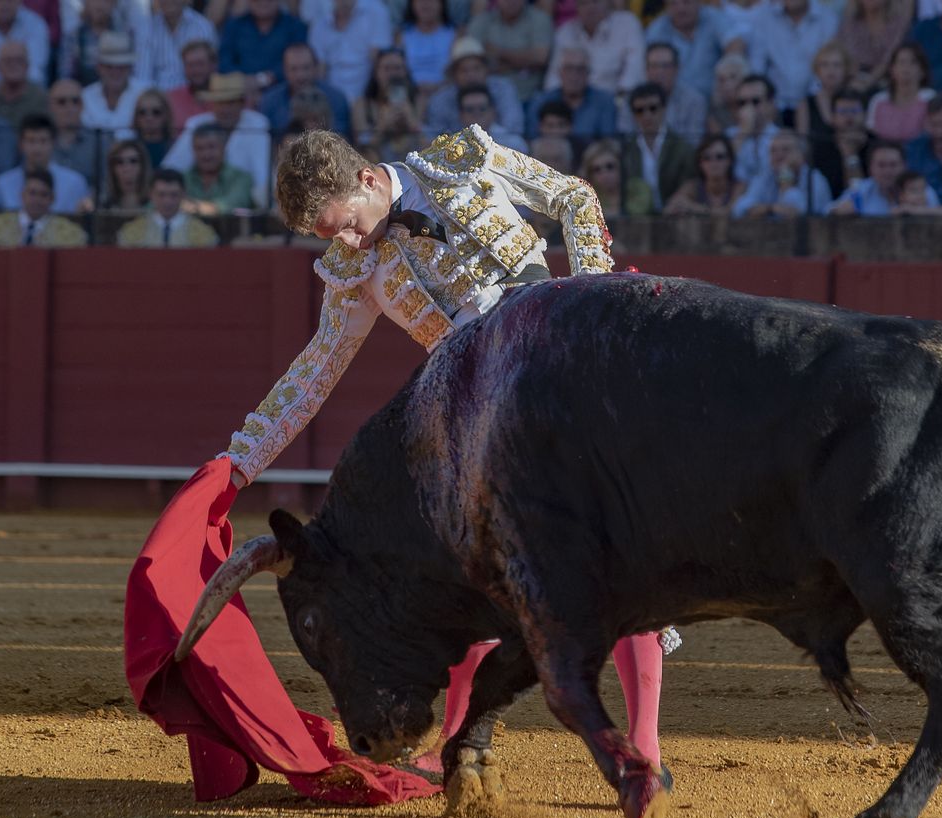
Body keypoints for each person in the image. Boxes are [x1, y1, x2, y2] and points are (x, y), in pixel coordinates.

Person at [220, 126, 669, 771]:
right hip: (482, 420)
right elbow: (316, 369)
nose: (345, 244)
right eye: (329, 237)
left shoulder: (464, 162)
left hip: (565, 376)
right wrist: (238, 462)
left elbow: (575, 198)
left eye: (343, 225)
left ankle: (647, 746)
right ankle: (458, 740)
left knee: (617, 551)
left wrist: (587, 304)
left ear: (369, 180)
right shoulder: (358, 267)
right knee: (472, 571)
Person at [163, 74, 274, 208]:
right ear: (212, 104)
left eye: (230, 103)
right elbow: (171, 169)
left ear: (242, 103)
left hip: (242, 201)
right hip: (197, 199)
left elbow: (262, 177)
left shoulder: (257, 124)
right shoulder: (197, 124)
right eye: (220, 103)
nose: (225, 109)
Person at [746, 0, 837, 120]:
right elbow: (757, 65)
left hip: (815, 104)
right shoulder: (764, 17)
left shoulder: (828, 18)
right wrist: (765, 100)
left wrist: (809, 102)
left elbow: (826, 65)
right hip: (774, 105)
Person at [424, 37, 526, 143]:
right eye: (464, 70)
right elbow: (435, 135)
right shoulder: (441, 99)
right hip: (456, 149)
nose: (471, 75)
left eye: (476, 68)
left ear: (486, 69)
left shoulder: (503, 88)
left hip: (498, 143)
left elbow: (514, 127)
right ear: (455, 74)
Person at [544, 0, 645, 99]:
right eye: (584, 3)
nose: (590, 7)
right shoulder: (565, 33)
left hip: (616, 100)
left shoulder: (627, 23)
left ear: (607, 2)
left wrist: (618, 99)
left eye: (595, 1)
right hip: (572, 103)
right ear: (576, 8)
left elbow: (634, 71)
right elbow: (553, 78)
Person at [0, 114, 91, 212]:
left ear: (53, 143)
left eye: (43, 141)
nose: (37, 148)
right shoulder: (2, 184)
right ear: (21, 144)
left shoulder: (75, 183)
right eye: (31, 141)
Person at [465, 0, 554, 107]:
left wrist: (499, 53)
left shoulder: (540, 19)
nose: (511, 1)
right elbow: (469, 62)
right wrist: (524, 62)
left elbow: (540, 58)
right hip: (489, 97)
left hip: (529, 96)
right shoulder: (481, 22)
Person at [524, 44, 617, 142]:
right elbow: (532, 139)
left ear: (588, 73)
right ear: (560, 72)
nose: (574, 76)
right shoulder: (541, 101)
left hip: (591, 155)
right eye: (569, 68)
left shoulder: (604, 101)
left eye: (580, 69)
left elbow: (607, 142)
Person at [621, 82, 692, 206]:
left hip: (674, 216)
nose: (647, 115)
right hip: (636, 219)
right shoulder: (626, 149)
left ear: (664, 109)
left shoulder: (682, 147)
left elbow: (690, 183)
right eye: (640, 110)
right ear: (633, 115)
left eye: (653, 108)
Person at [261, 43, 353, 138]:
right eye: (294, 69)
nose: (300, 76)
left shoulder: (336, 99)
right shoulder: (270, 101)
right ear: (285, 70)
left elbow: (341, 140)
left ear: (316, 67)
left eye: (306, 68)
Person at [309, 0, 395, 101]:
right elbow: (320, 71)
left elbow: (379, 61)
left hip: (368, 96)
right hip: (333, 99)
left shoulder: (376, 11)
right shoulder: (319, 24)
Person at [0, 169, 89, 246]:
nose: (37, 200)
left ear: (52, 198)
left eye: (43, 194)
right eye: (32, 193)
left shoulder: (71, 234)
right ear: (22, 195)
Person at [733, 129, 830, 217]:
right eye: (773, 151)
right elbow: (740, 208)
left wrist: (786, 178)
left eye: (785, 149)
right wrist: (770, 208)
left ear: (800, 155)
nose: (778, 155)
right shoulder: (766, 175)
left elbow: (800, 213)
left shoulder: (814, 179)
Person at [644, 0, 726, 101]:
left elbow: (735, 43)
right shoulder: (657, 29)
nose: (681, 9)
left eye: (686, 2)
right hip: (674, 101)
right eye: (674, 3)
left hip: (714, 100)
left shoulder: (712, 17)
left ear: (698, 3)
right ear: (666, 7)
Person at [116, 167, 220, 246]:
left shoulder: (203, 234)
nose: (167, 201)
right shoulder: (131, 232)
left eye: (173, 195)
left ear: (183, 194)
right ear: (151, 194)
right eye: (161, 194)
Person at [220, 0, 308, 90]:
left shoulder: (295, 26)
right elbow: (224, 60)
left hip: (284, 94)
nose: (263, 3)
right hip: (239, 92)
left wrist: (266, 78)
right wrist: (243, 79)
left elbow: (300, 61)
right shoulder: (233, 26)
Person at [353, 48, 422, 162]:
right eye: (386, 68)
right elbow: (359, 152)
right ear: (376, 72)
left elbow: (431, 146)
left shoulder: (419, 102)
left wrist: (413, 123)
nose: (392, 74)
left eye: (397, 68)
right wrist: (382, 127)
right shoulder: (362, 106)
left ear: (406, 72)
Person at [830, 140, 931, 216]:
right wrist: (837, 211)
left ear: (904, 166)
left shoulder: (920, 188)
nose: (887, 171)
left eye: (893, 165)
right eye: (881, 165)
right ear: (871, 168)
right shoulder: (861, 190)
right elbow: (828, 210)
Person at [135, 0, 219, 91]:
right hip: (159, 99)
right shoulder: (146, 28)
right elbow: (143, 76)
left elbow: (209, 73)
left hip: (194, 96)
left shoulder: (203, 27)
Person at [81, 32, 145, 141]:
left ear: (130, 68)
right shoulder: (85, 97)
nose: (115, 72)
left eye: (121, 66)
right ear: (99, 67)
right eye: (109, 66)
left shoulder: (144, 94)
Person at [836, 0, 909, 95]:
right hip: (854, 79)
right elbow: (845, 54)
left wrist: (869, 81)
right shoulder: (849, 23)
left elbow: (891, 57)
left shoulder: (898, 24)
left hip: (888, 81)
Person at [640, 41, 707, 146]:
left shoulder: (694, 101)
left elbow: (694, 144)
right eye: (654, 66)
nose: (659, 72)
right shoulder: (632, 100)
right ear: (646, 70)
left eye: (665, 66)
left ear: (677, 69)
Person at [181, 123, 256, 214]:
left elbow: (234, 204)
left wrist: (195, 207)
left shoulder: (241, 178)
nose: (206, 155)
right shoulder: (183, 178)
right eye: (200, 148)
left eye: (211, 147)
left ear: (224, 148)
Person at [867, 42, 933, 144]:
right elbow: (872, 136)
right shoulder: (878, 101)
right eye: (901, 62)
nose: (906, 68)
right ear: (892, 69)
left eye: (913, 62)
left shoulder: (930, 99)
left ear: (922, 70)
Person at [663, 132, 743, 215]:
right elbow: (668, 209)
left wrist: (692, 207)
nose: (713, 162)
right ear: (700, 163)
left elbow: (729, 213)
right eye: (707, 158)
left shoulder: (739, 187)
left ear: (730, 160)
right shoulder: (692, 186)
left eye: (720, 156)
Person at [811, 86, 872, 196]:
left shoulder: (875, 143)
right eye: (843, 111)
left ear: (865, 114)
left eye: (854, 111)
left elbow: (859, 193)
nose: (849, 116)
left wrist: (850, 155)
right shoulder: (821, 144)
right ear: (833, 116)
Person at [794, 42, 849, 155]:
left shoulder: (857, 100)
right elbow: (802, 144)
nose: (831, 70)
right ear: (817, 70)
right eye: (825, 65)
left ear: (846, 69)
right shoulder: (805, 104)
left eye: (837, 65)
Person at [47, 78, 101, 186]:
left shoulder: (100, 142)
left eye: (75, 101)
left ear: (83, 105)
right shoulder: (38, 141)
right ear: (50, 106)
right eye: (61, 102)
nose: (69, 107)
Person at [400, 0, 458, 99]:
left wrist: (437, 87)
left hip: (446, 92)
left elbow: (458, 70)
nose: (426, 4)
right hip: (409, 93)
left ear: (441, 4)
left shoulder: (455, 35)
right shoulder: (401, 35)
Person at [727, 73, 777, 184]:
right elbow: (722, 167)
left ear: (770, 103)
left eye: (755, 101)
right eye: (742, 103)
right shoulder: (728, 136)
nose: (748, 108)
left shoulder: (781, 137)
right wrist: (743, 132)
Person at [581, 136, 652, 214]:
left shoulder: (639, 188)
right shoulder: (588, 197)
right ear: (590, 175)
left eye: (610, 166)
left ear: (621, 167)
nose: (605, 174)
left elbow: (637, 213)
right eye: (597, 170)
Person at [58, 0, 122, 87]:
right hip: (82, 95)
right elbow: (65, 76)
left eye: (106, 1)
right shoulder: (74, 36)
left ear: (114, 4)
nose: (99, 5)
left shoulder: (123, 34)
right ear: (86, 3)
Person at [0, 42, 47, 129]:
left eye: (19, 60)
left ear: (27, 65)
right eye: (8, 61)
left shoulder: (41, 99)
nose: (13, 65)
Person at [452, 83, 527, 153]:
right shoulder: (452, 145)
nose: (476, 113)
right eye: (470, 109)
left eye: (482, 108)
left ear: (492, 112)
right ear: (460, 114)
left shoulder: (514, 144)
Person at [165, 40, 216, 133]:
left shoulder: (228, 99)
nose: (196, 70)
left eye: (200, 64)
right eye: (190, 65)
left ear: (213, 65)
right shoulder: (172, 99)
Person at [99, 136, 151, 210]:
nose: (127, 168)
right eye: (120, 162)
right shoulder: (100, 200)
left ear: (143, 166)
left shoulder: (156, 201)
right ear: (112, 167)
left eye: (133, 161)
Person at [705, 52, 748, 135]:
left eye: (733, 77)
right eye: (722, 80)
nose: (728, 85)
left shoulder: (757, 102)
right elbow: (722, 145)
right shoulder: (713, 113)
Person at [130, 88, 176, 166]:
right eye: (142, 112)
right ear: (136, 117)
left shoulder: (176, 148)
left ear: (166, 115)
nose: (149, 118)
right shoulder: (128, 151)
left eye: (156, 112)